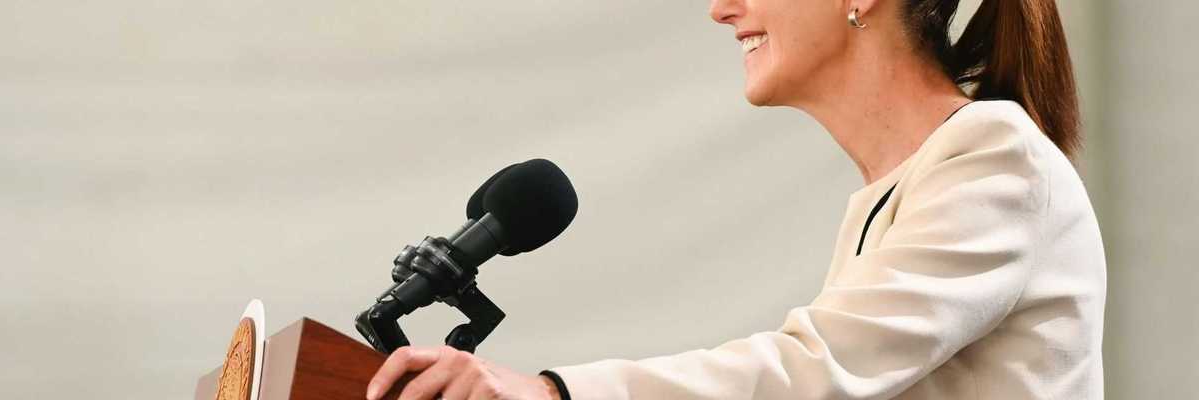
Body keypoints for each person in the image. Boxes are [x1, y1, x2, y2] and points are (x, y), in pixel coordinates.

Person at [364, 0, 1106, 398]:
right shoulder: (894, 197)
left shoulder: (994, 161)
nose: (721, 8)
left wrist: (554, 395)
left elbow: (814, 373)